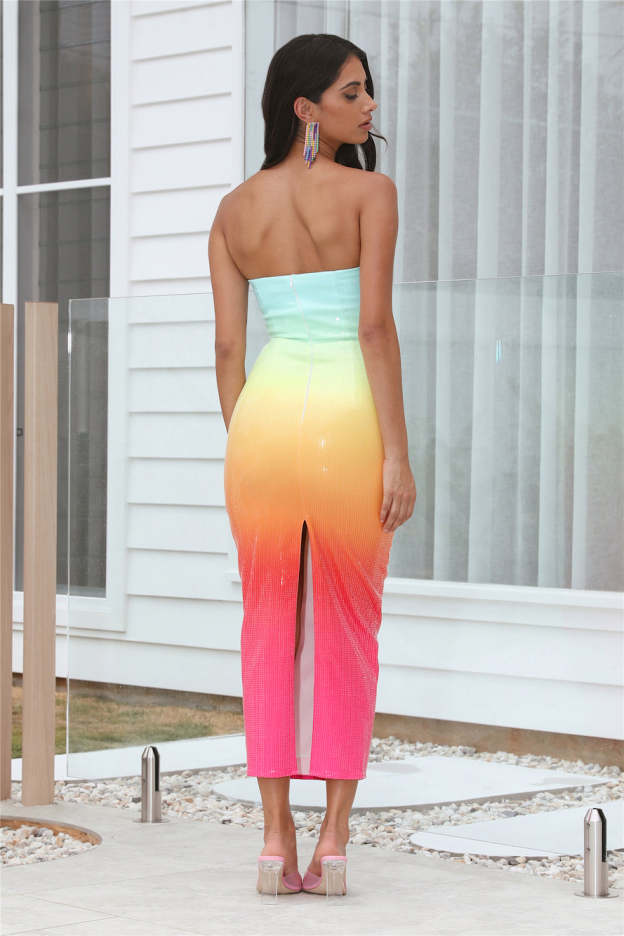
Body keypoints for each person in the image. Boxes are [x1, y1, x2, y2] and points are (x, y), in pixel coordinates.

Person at [208, 33, 416, 897]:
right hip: (345, 417)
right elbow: (373, 329)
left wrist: (247, 443)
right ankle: (332, 840)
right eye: (352, 92)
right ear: (307, 109)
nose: (369, 106)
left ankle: (272, 839)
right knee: (348, 627)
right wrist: (397, 453)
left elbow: (228, 349)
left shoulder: (233, 210)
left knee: (266, 623)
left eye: (367, 91)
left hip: (261, 423)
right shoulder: (371, 192)